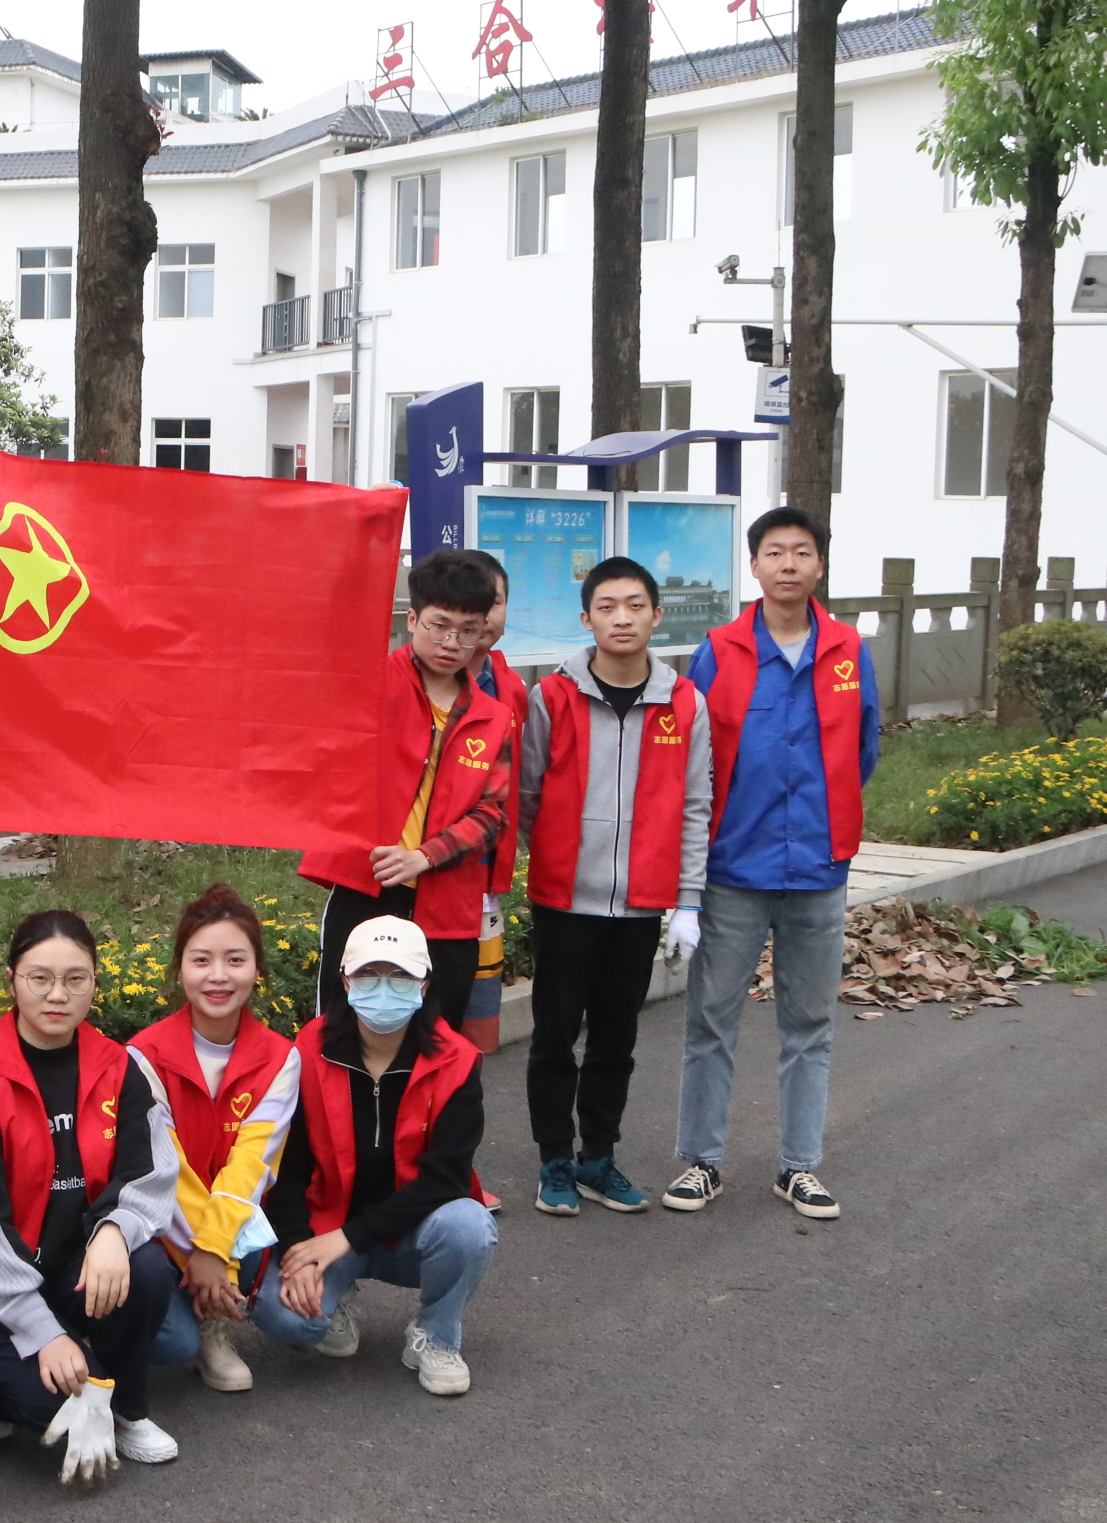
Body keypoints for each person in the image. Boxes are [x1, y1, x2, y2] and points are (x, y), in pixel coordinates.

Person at [667, 506, 881, 1223]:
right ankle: (702, 1161)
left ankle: (799, 1167)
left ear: (820, 564)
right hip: (734, 866)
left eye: (802, 551)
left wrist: (826, 814)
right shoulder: (719, 651)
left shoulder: (847, 649)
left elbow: (865, 748)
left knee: (810, 1024)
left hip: (819, 867)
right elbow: (694, 754)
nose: (789, 564)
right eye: (775, 552)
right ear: (754, 565)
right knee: (711, 1022)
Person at [0, 911, 182, 1485]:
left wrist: (113, 1231)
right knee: (55, 1406)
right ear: (11, 981)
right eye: (40, 978)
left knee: (148, 1268)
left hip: (78, 1270)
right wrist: (43, 1332)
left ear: (95, 983)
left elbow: (151, 1171)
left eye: (76, 979)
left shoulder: (122, 1067)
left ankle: (128, 1408)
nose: (58, 995)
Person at [516, 557, 713, 1220]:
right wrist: (548, 860)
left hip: (639, 904)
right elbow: (528, 794)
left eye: (634, 605)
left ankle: (598, 1158)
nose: (621, 618)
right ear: (586, 619)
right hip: (563, 900)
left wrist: (687, 901)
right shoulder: (552, 698)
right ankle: (555, 1159)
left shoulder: (685, 702)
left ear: (657, 615)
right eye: (607, 607)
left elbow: (695, 805)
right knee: (553, 1036)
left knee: (615, 1041)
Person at [260, 917, 498, 1397]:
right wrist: (298, 1249)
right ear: (345, 981)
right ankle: (338, 1292)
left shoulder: (456, 1061)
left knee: (469, 1226)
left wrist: (349, 1237)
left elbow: (446, 1179)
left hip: (411, 1235)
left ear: (425, 985)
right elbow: (288, 1165)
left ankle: (436, 1334)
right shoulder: (310, 1050)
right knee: (288, 1320)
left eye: (401, 975)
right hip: (326, 1229)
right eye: (369, 973)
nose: (384, 987)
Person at [297, 547, 518, 1031]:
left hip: (447, 902)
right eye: (439, 626)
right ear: (413, 619)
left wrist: (426, 856)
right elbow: (328, 633)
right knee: (340, 1029)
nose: (451, 642)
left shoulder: (495, 717)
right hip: (365, 884)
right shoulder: (371, 682)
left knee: (436, 1037)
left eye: (467, 630)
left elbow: (492, 815)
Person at [135, 886, 301, 1395]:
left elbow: (252, 1166)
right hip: (160, 1228)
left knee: (296, 1315)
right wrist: (203, 1257)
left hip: (230, 1229)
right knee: (171, 1343)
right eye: (201, 959)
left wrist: (216, 1255)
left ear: (257, 969)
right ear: (180, 969)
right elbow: (165, 1170)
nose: (218, 976)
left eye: (235, 959)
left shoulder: (280, 1059)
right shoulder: (142, 1056)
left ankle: (213, 1324)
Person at [463, 553, 533, 1055]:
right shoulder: (410, 683)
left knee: (478, 1025)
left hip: (484, 881)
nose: (484, 615)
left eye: (495, 602)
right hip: (418, 879)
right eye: (472, 602)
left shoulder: (512, 688)